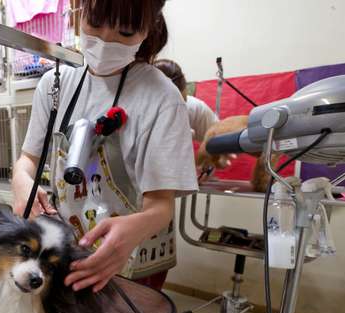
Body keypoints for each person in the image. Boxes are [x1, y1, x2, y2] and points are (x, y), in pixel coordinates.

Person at [12, 0, 198, 292]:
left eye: (125, 32)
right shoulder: (54, 85)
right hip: (69, 249)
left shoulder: (162, 98)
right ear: (78, 12)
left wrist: (133, 230)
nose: (105, 41)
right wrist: (21, 181)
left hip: (133, 257)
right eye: (95, 24)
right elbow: (27, 159)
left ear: (148, 29)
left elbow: (161, 206)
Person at [153, 59, 218, 142]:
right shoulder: (135, 115)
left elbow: (219, 144)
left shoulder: (195, 108)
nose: (175, 110)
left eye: (182, 102)